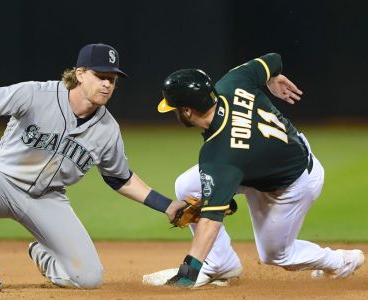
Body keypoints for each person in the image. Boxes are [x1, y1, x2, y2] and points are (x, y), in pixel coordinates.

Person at [0, 43, 182, 292]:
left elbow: (121, 179)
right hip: (0, 186)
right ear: (80, 74)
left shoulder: (108, 130)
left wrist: (167, 205)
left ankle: (43, 255)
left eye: (113, 79)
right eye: (101, 76)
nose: (107, 84)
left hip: (48, 200)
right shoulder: (36, 94)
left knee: (89, 279)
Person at [154, 53, 365, 288]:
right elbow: (273, 59)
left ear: (186, 111)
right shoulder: (232, 82)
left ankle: (338, 261)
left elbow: (210, 221)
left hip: (292, 183)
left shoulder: (219, 158)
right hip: (270, 157)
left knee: (276, 255)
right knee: (187, 185)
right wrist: (272, 78)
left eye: (173, 109)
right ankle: (220, 264)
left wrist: (187, 275)